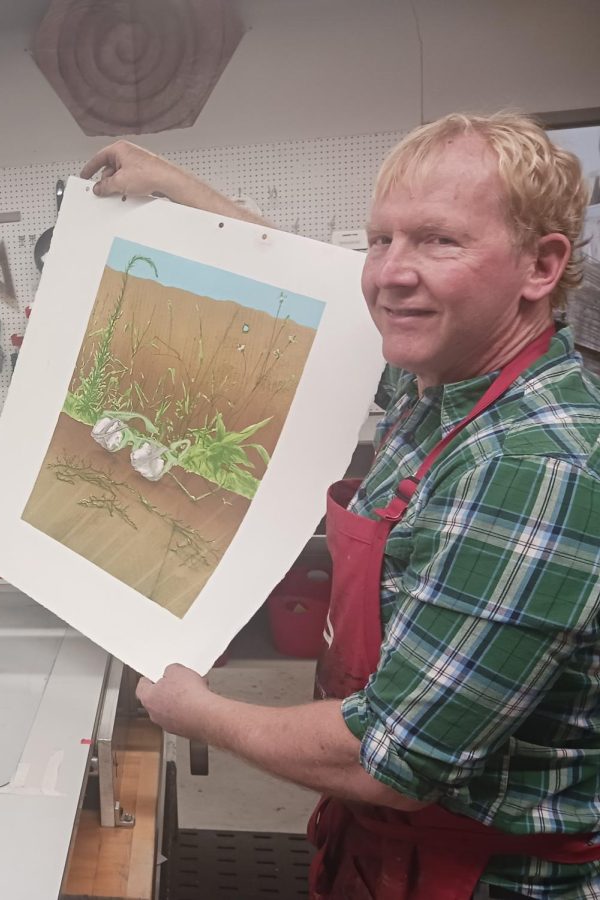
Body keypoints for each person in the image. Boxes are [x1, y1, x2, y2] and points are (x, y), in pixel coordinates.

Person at [83, 113, 600, 898]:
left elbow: (388, 757)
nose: (391, 272)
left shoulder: (535, 464)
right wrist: (183, 192)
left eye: (439, 241)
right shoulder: (442, 389)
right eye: (380, 240)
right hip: (383, 852)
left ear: (541, 265)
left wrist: (197, 708)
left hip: (485, 876)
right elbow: (320, 311)